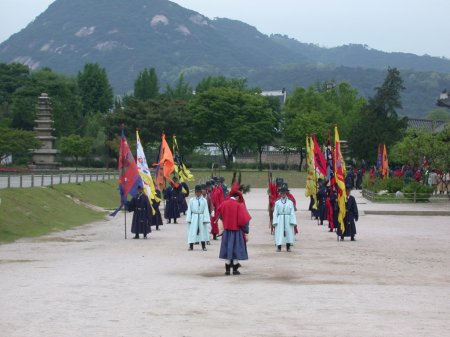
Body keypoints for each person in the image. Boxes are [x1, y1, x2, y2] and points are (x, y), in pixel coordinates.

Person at [215, 185, 251, 275]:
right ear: (237, 197)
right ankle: (235, 270)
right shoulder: (239, 205)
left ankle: (227, 270)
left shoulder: (224, 204)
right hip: (237, 231)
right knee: (236, 250)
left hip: (227, 231)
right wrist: (246, 231)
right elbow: (244, 220)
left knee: (227, 249)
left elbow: (220, 215)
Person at [272, 186, 297, 252]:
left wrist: (293, 221)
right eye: (282, 193)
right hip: (280, 219)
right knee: (279, 232)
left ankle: (288, 247)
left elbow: (292, 212)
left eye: (284, 193)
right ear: (280, 194)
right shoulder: (277, 203)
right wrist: (275, 221)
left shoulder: (290, 202)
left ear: (286, 193)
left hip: (288, 218)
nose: (283, 194)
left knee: (288, 232)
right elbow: (275, 212)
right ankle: (279, 247)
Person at [186, 185, 211, 251]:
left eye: (199, 192)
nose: (198, 193)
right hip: (194, 216)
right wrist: (189, 218)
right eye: (196, 192)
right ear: (195, 193)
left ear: (201, 192)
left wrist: (206, 219)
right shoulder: (192, 200)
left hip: (201, 217)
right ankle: (191, 245)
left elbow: (206, 210)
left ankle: (203, 245)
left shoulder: (204, 200)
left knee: (202, 231)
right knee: (192, 231)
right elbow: (189, 210)